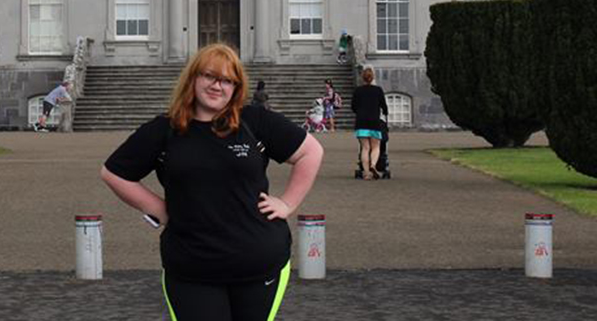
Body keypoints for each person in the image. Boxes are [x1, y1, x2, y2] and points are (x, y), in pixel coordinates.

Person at [101, 44, 324, 321]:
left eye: (228, 80)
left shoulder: (254, 121)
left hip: (259, 264)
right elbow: (114, 172)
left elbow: (310, 152)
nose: (218, 86)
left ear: (236, 87)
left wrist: (288, 202)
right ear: (193, 78)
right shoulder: (164, 130)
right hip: (192, 268)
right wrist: (159, 209)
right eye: (210, 76)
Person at [351, 67, 387, 180]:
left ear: (363, 78)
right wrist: (385, 112)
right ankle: (373, 165)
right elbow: (384, 106)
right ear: (372, 78)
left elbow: (353, 107)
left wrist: (359, 111)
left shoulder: (358, 90)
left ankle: (366, 173)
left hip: (361, 122)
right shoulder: (378, 90)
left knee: (365, 148)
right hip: (374, 121)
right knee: (376, 146)